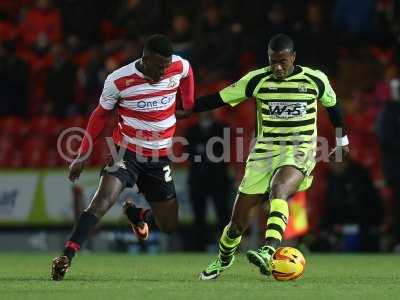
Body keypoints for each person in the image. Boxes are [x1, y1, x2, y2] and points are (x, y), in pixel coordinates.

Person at [185, 33, 350, 280]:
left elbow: (333, 106)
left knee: (279, 188)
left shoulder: (315, 79)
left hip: (299, 150)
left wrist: (342, 139)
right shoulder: (257, 80)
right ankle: (223, 260)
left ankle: (268, 249)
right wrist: (184, 109)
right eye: (273, 61)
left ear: (293, 57)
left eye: (283, 61)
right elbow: (218, 99)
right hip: (263, 154)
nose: (278, 67)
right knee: (237, 224)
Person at [51, 34, 194, 281]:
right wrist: (82, 154)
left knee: (169, 224)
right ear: (145, 59)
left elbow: (188, 72)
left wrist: (189, 103)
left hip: (158, 157)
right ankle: (66, 255)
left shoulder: (177, 66)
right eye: (159, 66)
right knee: (102, 201)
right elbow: (99, 116)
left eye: (166, 66)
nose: (163, 72)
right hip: (126, 151)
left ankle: (138, 216)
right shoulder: (118, 80)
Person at [185, 111, 232, 250]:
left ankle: (227, 246)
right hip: (197, 179)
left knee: (223, 213)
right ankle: (199, 246)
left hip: (218, 179)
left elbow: (224, 150)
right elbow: (187, 151)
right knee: (198, 215)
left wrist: (202, 150)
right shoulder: (191, 130)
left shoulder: (223, 128)